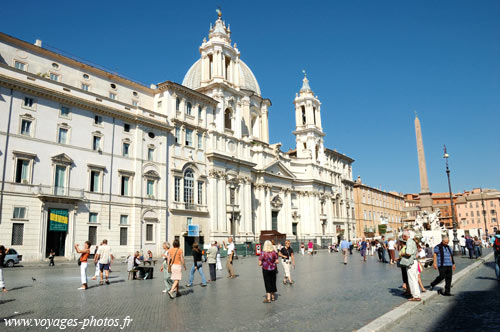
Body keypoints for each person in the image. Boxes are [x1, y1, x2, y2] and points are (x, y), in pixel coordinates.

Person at [399, 231, 421, 301]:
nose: (402, 238)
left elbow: (408, 253)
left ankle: (415, 296)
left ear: (405, 236)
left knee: (412, 279)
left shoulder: (409, 242)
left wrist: (402, 254)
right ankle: (417, 295)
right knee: (415, 279)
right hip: (414, 261)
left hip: (411, 262)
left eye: (403, 236)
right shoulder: (412, 241)